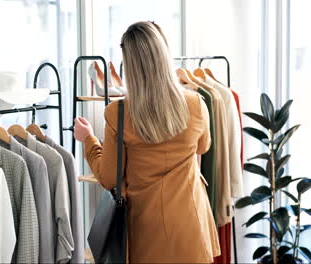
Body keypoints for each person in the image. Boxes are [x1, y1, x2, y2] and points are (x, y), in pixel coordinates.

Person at [74, 21, 220, 263]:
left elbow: (108, 178)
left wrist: (88, 139)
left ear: (129, 64)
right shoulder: (196, 103)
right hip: (191, 227)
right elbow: (203, 147)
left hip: (144, 231)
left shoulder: (118, 113)